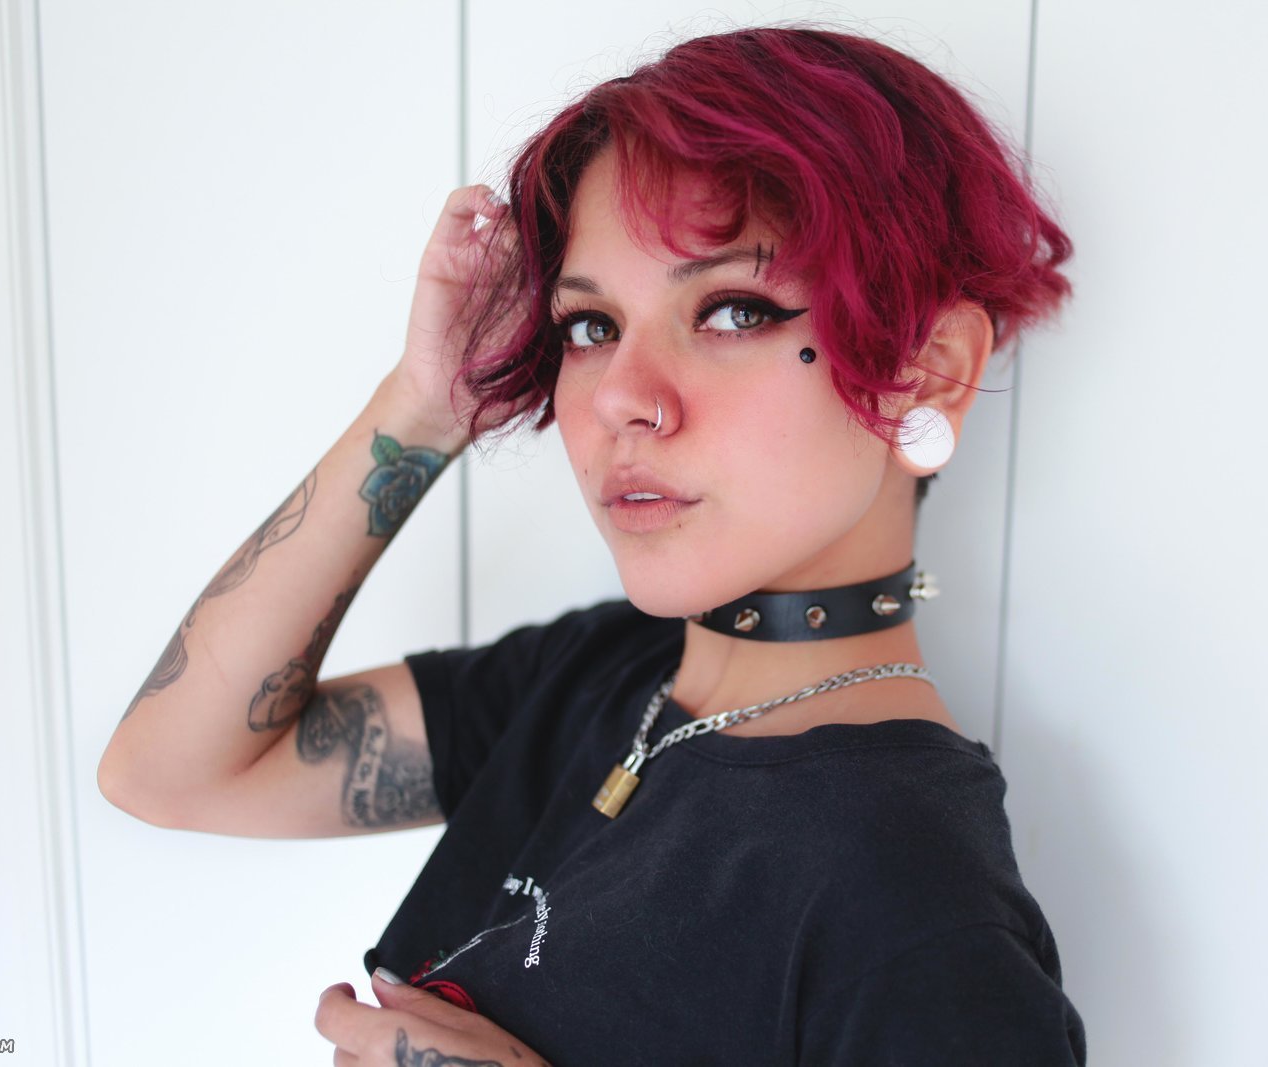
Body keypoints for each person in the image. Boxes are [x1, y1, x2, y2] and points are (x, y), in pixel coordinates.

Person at [98, 23, 1084, 1066]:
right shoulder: (595, 675)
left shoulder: (914, 904)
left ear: (927, 369)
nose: (621, 395)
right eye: (590, 326)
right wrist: (424, 406)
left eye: (732, 311)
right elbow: (169, 770)